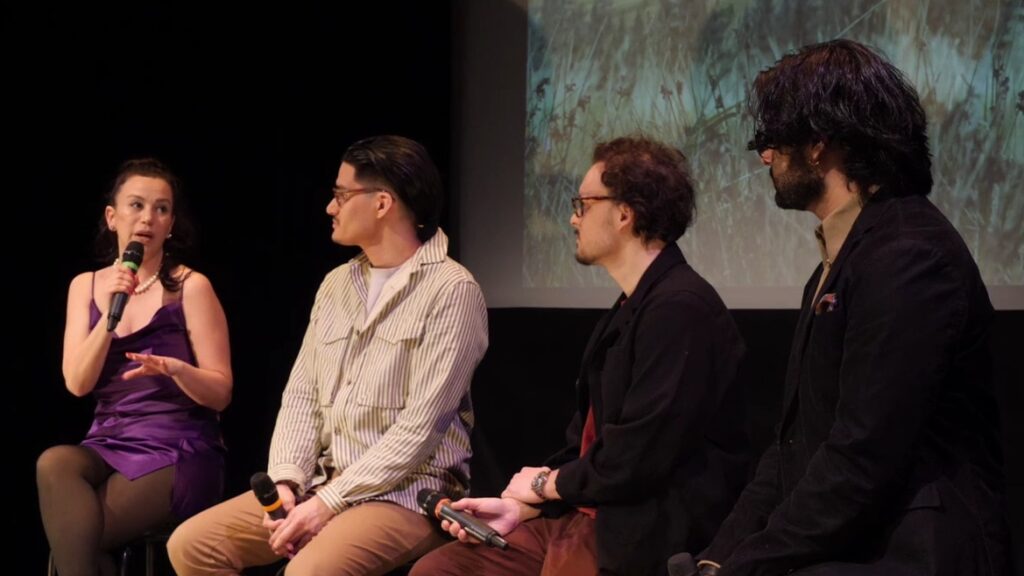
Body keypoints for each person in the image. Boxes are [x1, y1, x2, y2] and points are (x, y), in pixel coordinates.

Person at [671, 39, 1009, 576]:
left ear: (818, 145)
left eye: (770, 139)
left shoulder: (910, 256)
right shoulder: (842, 260)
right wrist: (719, 558)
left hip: (909, 551)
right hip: (858, 541)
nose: (763, 156)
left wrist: (746, 566)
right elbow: (789, 451)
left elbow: (863, 458)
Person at [411, 136, 749, 576]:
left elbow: (636, 459)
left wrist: (544, 484)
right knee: (440, 570)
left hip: (635, 527)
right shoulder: (633, 305)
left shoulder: (680, 309)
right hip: (584, 512)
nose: (573, 218)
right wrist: (522, 506)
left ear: (625, 214)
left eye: (583, 204)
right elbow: (588, 444)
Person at [167, 135, 489, 575]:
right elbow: (302, 395)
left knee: (308, 572)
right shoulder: (337, 285)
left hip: (409, 495)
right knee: (192, 545)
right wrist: (286, 481)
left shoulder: (452, 291)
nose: (330, 207)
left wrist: (327, 504)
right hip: (323, 483)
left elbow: (420, 429)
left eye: (341, 195)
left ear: (382, 203)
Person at [36, 158, 232, 576]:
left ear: (172, 222)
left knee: (77, 539)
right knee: (54, 463)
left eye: (161, 209)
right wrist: (108, 317)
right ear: (112, 216)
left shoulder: (190, 286)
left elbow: (221, 391)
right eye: (137, 206)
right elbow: (77, 383)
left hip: (178, 448)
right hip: (108, 441)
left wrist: (177, 370)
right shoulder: (85, 286)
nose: (148, 218)